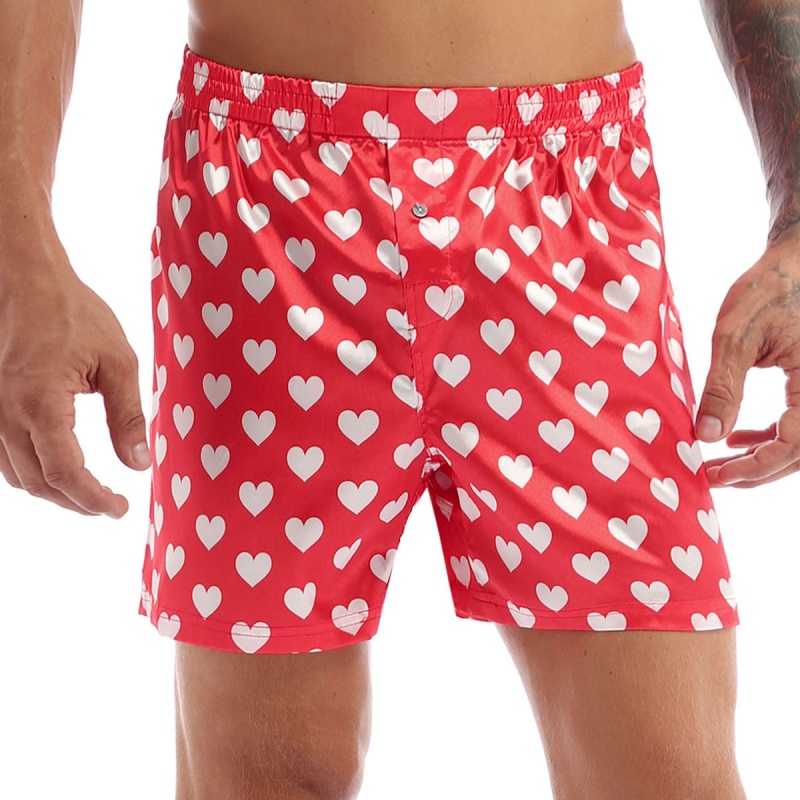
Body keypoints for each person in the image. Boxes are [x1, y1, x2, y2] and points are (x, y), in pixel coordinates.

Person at [2, 1, 797, 797]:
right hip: (265, 206)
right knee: (267, 771)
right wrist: (18, 252)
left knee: (668, 767)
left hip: (566, 202)